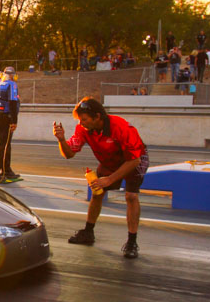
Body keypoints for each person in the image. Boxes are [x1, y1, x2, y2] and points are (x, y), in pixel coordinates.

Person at [52, 98, 149, 259]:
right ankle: (88, 232)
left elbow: (134, 160)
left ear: (97, 117)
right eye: (79, 120)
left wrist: (109, 180)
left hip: (134, 159)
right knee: (97, 192)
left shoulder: (121, 127)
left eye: (84, 119)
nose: (81, 123)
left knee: (131, 196)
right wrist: (61, 140)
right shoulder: (83, 128)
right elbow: (69, 154)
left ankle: (132, 242)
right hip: (109, 160)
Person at [0, 67, 21, 183]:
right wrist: (14, 121)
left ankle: (6, 169)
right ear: (12, 75)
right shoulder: (11, 84)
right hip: (5, 116)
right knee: (3, 145)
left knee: (5, 144)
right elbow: (13, 102)